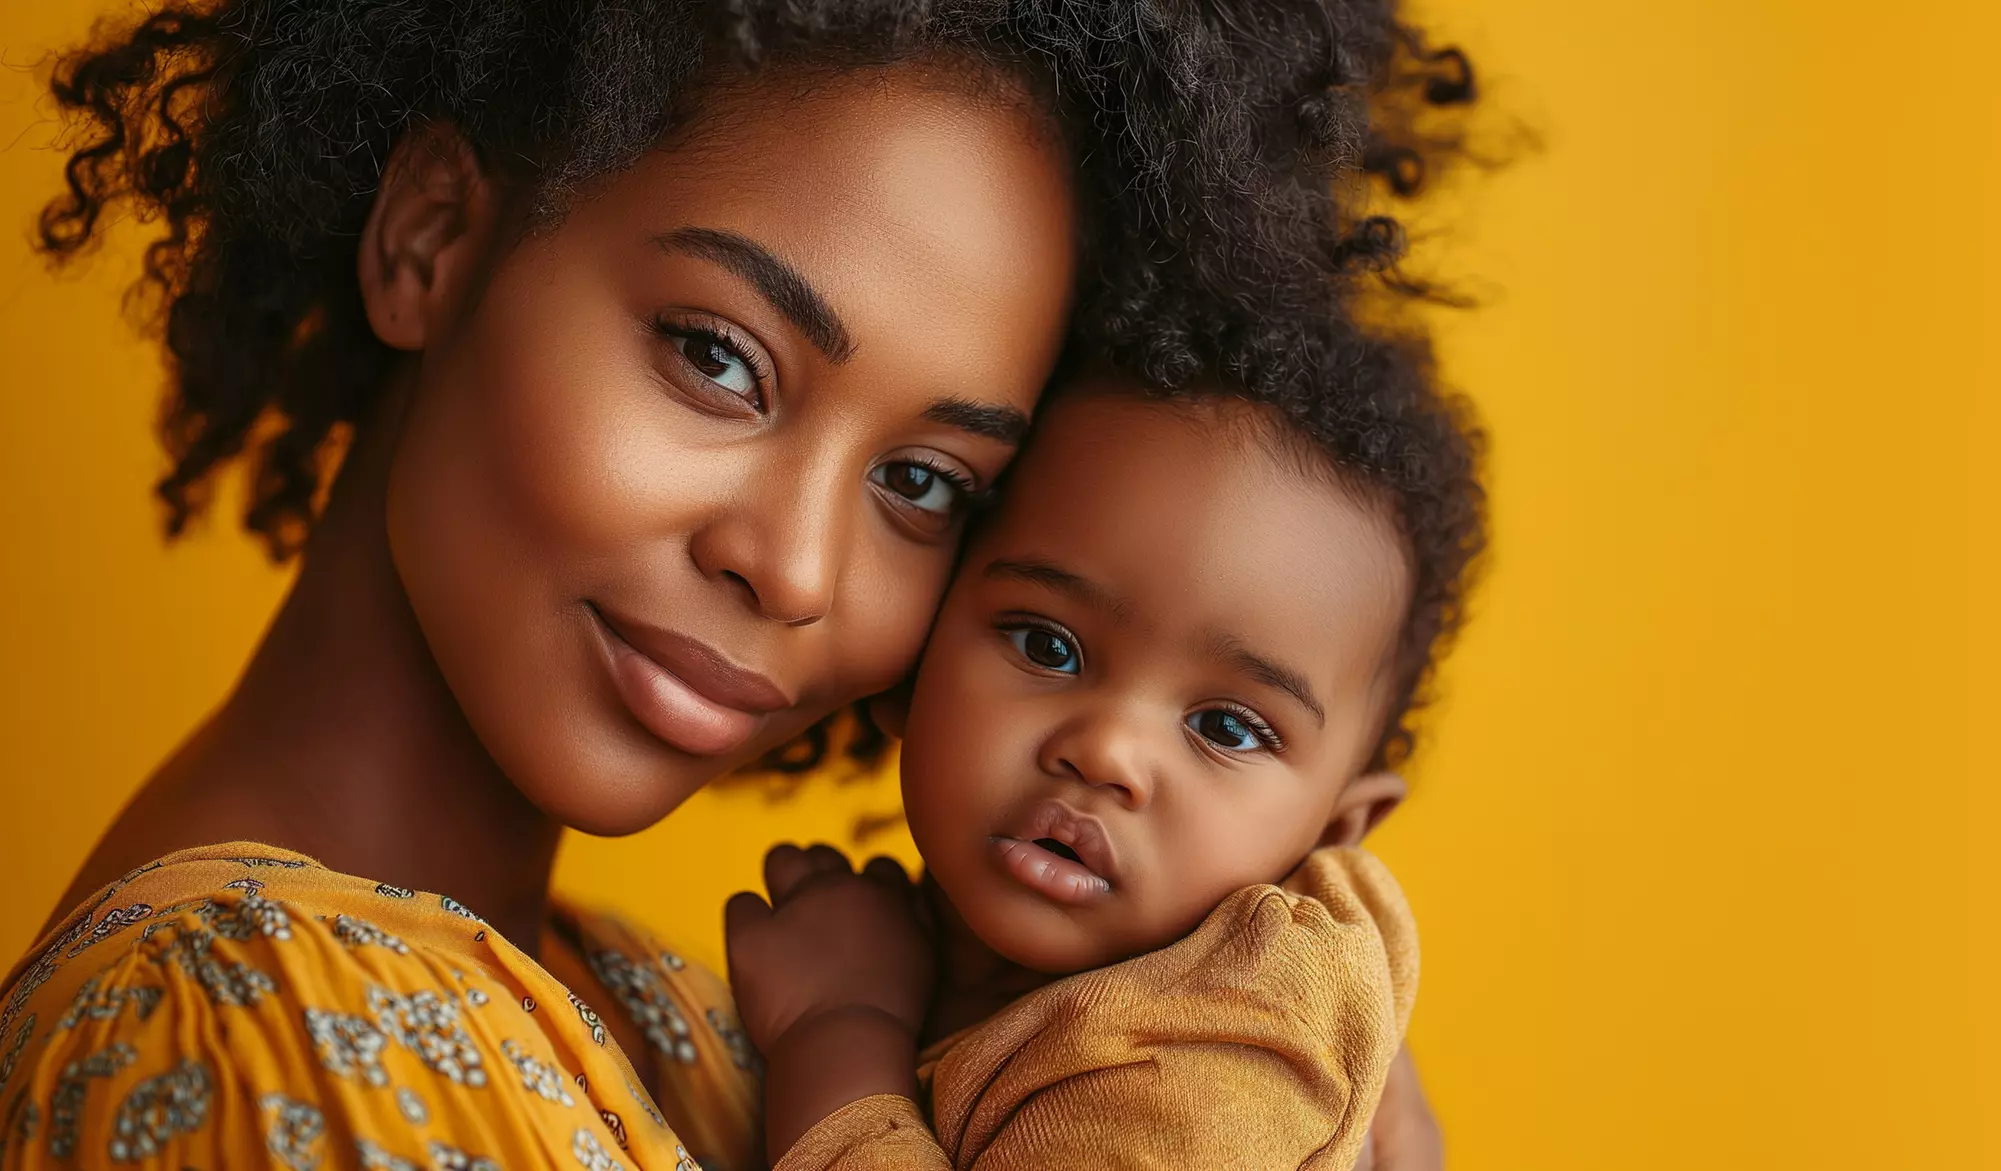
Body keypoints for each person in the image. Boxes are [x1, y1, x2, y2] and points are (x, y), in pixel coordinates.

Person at [0, 1, 1472, 1167]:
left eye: (924, 483)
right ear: (430, 237)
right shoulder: (249, 1041)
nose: (798, 566)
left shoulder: (714, 1015)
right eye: (719, 358)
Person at [724, 325, 1483, 1167]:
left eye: (1226, 728)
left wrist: (835, 1031)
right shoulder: (915, 959)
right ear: (917, 656)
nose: (1106, 751)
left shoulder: (1231, 1069)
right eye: (1046, 645)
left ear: (1332, 830)